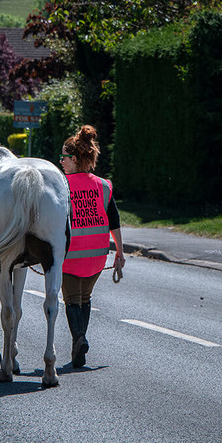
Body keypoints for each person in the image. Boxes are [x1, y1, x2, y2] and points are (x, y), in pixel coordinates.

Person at [59, 125, 125, 367]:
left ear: (74, 159)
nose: (61, 161)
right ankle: (80, 349)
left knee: (72, 300)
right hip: (98, 257)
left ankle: (79, 338)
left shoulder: (62, 186)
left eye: (64, 157)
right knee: (85, 298)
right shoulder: (103, 186)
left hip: (71, 255)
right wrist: (120, 251)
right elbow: (114, 221)